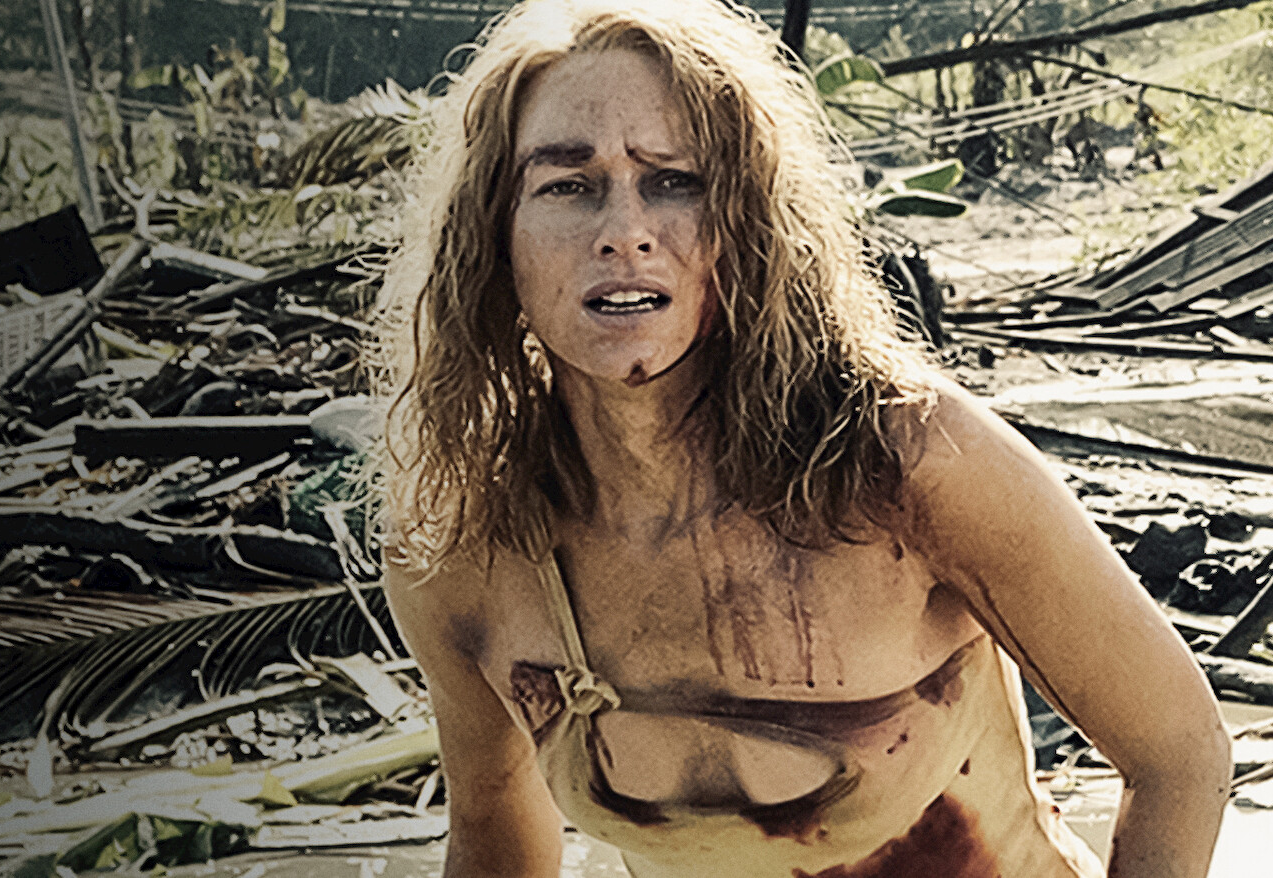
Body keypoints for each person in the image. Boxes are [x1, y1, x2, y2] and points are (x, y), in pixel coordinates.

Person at [371, 1, 1230, 876]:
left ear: (748, 221)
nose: (624, 232)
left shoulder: (905, 465)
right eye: (568, 185)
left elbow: (1181, 755)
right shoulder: (465, 541)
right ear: (494, 232)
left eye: (674, 180)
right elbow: (493, 838)